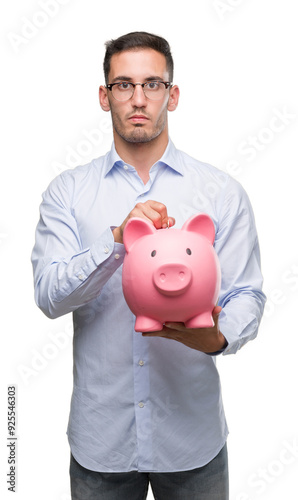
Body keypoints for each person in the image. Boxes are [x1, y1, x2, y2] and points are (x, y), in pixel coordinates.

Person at [31, 31, 266, 500]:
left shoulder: (220, 192)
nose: (138, 99)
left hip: (191, 441)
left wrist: (218, 338)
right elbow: (49, 296)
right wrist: (115, 241)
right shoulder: (67, 193)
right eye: (123, 85)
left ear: (172, 95)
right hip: (102, 442)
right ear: (105, 96)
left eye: (152, 85)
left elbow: (247, 293)